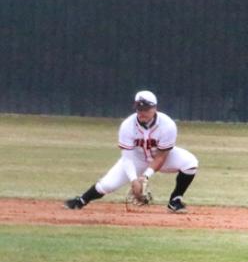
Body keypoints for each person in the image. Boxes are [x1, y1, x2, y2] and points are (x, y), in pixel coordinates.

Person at [64, 90, 199, 212]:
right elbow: (127, 158)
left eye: (146, 109)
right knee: (106, 186)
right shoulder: (127, 126)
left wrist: (145, 177)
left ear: (155, 108)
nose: (142, 113)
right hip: (135, 159)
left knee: (190, 163)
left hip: (161, 158)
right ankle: (81, 200)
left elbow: (161, 156)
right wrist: (134, 180)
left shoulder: (167, 125)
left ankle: (175, 201)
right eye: (139, 109)